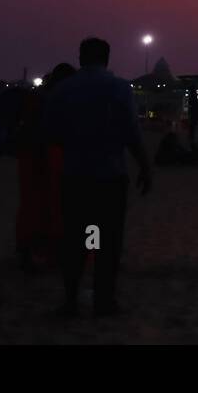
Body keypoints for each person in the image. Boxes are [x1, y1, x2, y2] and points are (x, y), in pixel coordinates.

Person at [46, 37, 153, 318]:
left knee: (74, 240)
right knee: (108, 242)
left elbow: (51, 131)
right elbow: (131, 131)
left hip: (75, 176)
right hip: (110, 176)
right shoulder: (118, 88)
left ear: (80, 57)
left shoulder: (65, 89)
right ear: (107, 58)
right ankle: (104, 301)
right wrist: (145, 165)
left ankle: (70, 301)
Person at [14, 63, 75, 272]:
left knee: (31, 205)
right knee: (55, 206)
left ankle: (26, 252)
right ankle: (52, 254)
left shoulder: (36, 97)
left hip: (30, 156)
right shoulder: (61, 99)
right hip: (51, 156)